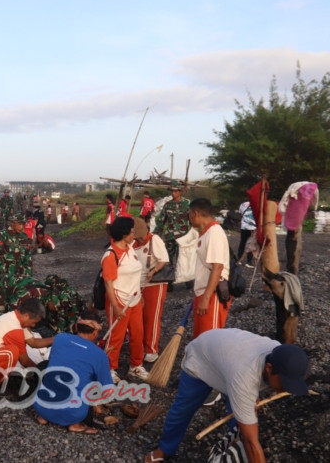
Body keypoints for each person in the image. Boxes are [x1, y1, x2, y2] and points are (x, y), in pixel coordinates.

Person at [144, 329, 310, 463]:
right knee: (182, 410)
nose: (285, 390)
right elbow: (252, 440)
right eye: (284, 383)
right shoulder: (244, 377)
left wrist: (248, 411)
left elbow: (250, 391)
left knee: (242, 419)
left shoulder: (278, 353)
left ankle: (233, 451)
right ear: (268, 368)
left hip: (229, 362)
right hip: (201, 359)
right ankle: (164, 449)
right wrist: (249, 431)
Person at [34, 311, 114, 434]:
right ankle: (75, 425)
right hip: (73, 414)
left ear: (76, 327)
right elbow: (107, 389)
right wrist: (103, 363)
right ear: (95, 332)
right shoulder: (99, 354)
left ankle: (44, 417)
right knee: (90, 379)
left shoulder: (60, 338)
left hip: (41, 406)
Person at [102, 216, 148, 382]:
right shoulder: (111, 255)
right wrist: (115, 306)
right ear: (123, 234)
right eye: (131, 232)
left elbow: (136, 275)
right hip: (119, 300)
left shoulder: (130, 250)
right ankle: (109, 368)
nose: (134, 235)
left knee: (137, 334)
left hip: (134, 300)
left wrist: (139, 295)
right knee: (116, 335)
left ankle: (136, 366)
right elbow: (108, 283)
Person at [0, 298, 54, 384]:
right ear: (26, 316)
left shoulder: (16, 319)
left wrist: (56, 339)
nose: (33, 325)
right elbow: (25, 361)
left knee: (13, 352)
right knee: (12, 352)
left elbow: (33, 342)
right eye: (34, 322)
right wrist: (40, 371)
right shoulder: (14, 328)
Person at [189, 197, 231, 337]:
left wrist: (206, 298)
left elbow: (217, 267)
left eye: (189, 214)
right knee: (200, 338)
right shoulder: (206, 232)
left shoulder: (214, 232)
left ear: (196, 213)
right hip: (203, 292)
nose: (189, 218)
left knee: (209, 339)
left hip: (213, 294)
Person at [132, 217, 170, 363]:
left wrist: (153, 271)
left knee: (152, 318)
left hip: (154, 284)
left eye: (141, 236)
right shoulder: (133, 243)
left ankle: (151, 349)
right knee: (139, 318)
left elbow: (163, 259)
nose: (140, 239)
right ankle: (141, 345)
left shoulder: (155, 240)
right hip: (138, 284)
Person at [153, 181, 191, 282]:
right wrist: (155, 235)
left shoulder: (187, 204)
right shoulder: (167, 205)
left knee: (183, 259)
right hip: (170, 237)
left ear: (180, 192)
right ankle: (169, 281)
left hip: (183, 238)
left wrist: (194, 235)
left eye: (175, 191)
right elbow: (161, 221)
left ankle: (186, 280)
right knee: (168, 260)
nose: (173, 193)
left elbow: (192, 220)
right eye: (172, 191)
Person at [0, 213, 33, 278]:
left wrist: (28, 274)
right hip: (4, 275)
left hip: (20, 274)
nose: (22, 227)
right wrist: (4, 275)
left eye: (23, 224)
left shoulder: (24, 237)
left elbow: (28, 256)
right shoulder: (2, 235)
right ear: (12, 223)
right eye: (20, 224)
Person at [238, 200, 256, 267]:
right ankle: (249, 261)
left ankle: (239, 259)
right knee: (251, 244)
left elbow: (240, 213)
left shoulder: (243, 204)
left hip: (244, 227)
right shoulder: (257, 204)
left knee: (242, 243)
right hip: (253, 227)